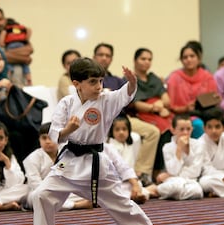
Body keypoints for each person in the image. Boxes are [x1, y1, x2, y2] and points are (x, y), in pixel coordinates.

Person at [32, 58, 152, 225]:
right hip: (69, 162)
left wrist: (131, 83)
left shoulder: (106, 100)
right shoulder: (67, 103)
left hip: (96, 165)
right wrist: (68, 130)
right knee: (41, 195)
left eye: (101, 81)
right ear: (77, 84)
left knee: (123, 206)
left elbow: (124, 95)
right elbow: (54, 135)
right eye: (93, 82)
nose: (99, 86)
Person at [94, 43, 160, 186]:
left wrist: (131, 83)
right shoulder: (89, 80)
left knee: (153, 132)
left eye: (108, 55)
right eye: (101, 55)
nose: (104, 58)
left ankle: (141, 173)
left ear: (111, 59)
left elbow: (128, 99)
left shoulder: (117, 80)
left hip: (122, 119)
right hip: (98, 120)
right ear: (94, 56)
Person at [167, 43, 224, 139]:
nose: (189, 60)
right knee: (198, 124)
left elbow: (214, 99)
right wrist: (185, 108)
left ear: (198, 58)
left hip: (207, 112)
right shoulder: (174, 77)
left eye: (192, 56)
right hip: (185, 115)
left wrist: (216, 99)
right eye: (185, 57)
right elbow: (170, 105)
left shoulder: (207, 76)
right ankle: (204, 153)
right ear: (182, 60)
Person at [23, 122, 92, 211]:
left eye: (51, 138)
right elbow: (35, 183)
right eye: (44, 138)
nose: (48, 141)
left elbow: (68, 177)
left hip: (61, 190)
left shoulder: (64, 156)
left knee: (88, 192)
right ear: (39, 139)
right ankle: (76, 205)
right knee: (40, 198)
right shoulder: (32, 158)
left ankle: (74, 202)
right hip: (40, 191)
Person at [129, 48, 174, 181]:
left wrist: (160, 103)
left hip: (157, 113)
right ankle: (152, 171)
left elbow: (167, 100)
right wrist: (156, 107)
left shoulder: (154, 78)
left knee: (172, 126)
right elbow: (137, 104)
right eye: (143, 59)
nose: (146, 62)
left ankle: (166, 170)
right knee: (159, 129)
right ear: (135, 60)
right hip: (140, 115)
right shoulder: (131, 79)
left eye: (149, 59)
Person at [153, 114, 204, 200]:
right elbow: (172, 170)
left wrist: (171, 175)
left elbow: (195, 171)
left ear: (192, 129)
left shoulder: (198, 145)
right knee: (175, 186)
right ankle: (175, 193)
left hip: (191, 182)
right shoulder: (167, 147)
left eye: (188, 129)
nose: (185, 132)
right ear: (173, 130)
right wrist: (179, 149)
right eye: (181, 129)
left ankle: (159, 192)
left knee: (197, 191)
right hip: (173, 181)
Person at [0, 18, 32, 87]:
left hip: (11, 45)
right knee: (25, 65)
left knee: (8, 63)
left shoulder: (6, 29)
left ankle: (9, 74)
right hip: (21, 45)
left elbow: (1, 42)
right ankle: (29, 79)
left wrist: (3, 44)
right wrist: (26, 39)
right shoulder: (21, 28)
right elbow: (29, 30)